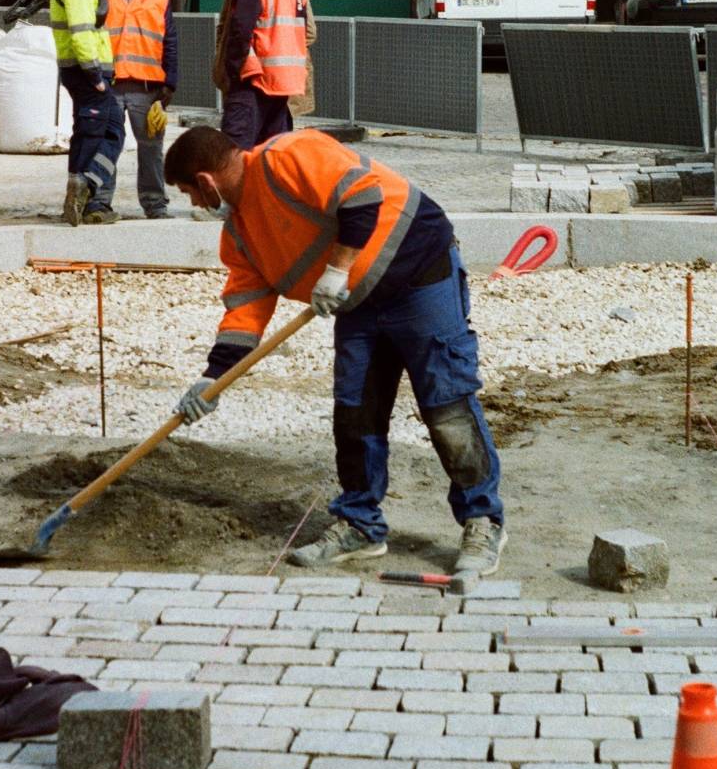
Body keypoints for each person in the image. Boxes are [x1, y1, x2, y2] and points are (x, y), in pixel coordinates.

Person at [165, 125, 507, 577]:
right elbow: (246, 308)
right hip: (357, 301)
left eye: (190, 192)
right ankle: (361, 526)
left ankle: (483, 521)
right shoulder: (240, 233)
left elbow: (362, 197)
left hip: (418, 271)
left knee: (447, 407)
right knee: (355, 413)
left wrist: (336, 270)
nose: (193, 203)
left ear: (207, 181)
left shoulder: (288, 155)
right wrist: (214, 378)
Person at [96, 0, 178, 220]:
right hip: (110, 84)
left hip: (148, 86)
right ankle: (100, 201)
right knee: (106, 145)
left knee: (152, 149)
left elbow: (170, 39)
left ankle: (155, 204)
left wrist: (170, 82)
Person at [50, 0, 124, 225]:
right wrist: (95, 73)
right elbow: (82, 32)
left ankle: (80, 193)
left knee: (88, 131)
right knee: (106, 133)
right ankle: (86, 186)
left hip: (80, 70)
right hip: (86, 72)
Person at [217, 0, 308, 148]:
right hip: (284, 83)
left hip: (253, 80)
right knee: (273, 155)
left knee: (235, 154)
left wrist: (234, 72)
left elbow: (239, 32)